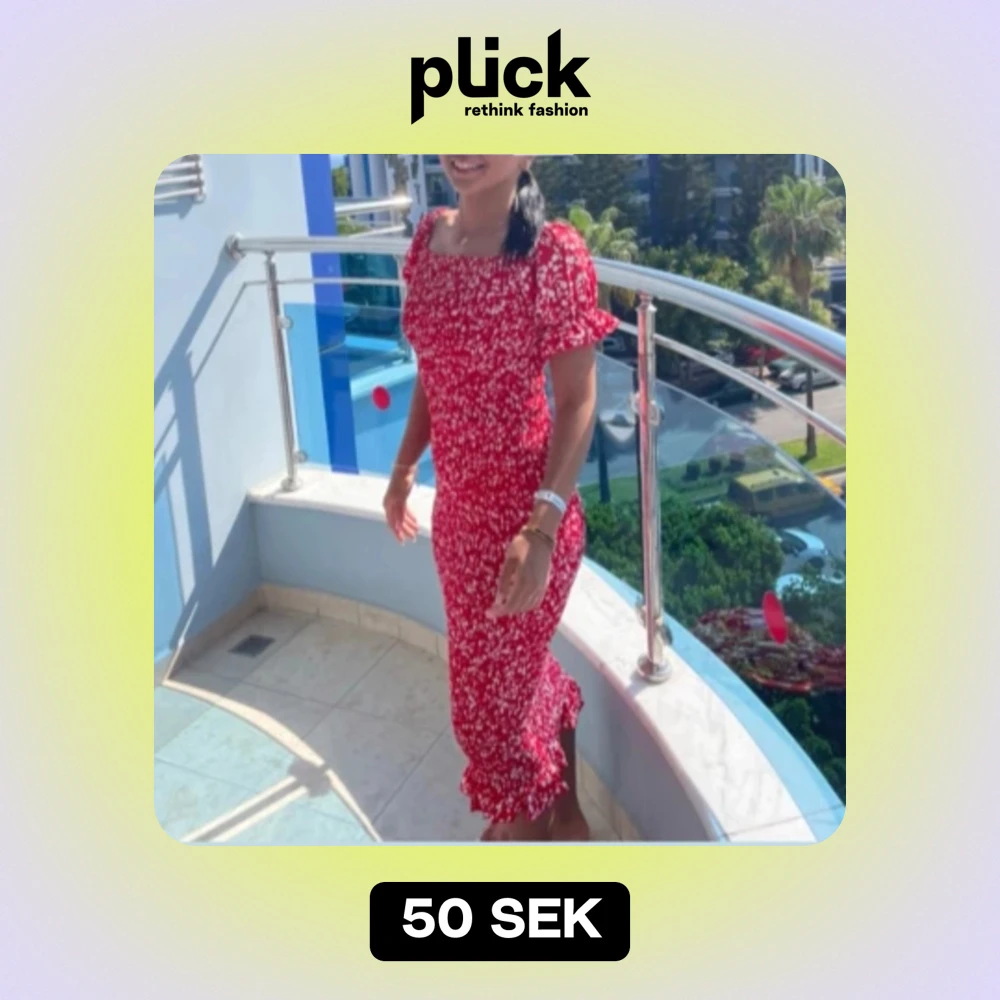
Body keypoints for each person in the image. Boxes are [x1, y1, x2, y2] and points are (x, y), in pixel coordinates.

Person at [382, 155, 619, 841]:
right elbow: (435, 370)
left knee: (485, 719)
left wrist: (540, 532)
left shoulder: (551, 253)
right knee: (512, 683)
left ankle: (526, 841)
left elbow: (577, 404)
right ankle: (565, 815)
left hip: (529, 520)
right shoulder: (429, 240)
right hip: (459, 521)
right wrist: (404, 466)